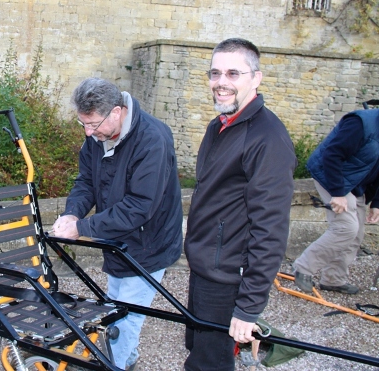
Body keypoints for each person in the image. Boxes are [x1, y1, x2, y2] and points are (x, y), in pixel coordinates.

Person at [52, 77, 183, 371]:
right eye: (83, 124)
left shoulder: (153, 140)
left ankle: (114, 364)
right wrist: (72, 213)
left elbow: (140, 207)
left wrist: (83, 229)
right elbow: (86, 181)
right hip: (117, 239)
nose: (88, 132)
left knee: (127, 313)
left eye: (93, 124)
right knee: (114, 303)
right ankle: (126, 355)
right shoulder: (98, 134)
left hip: (150, 241)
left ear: (117, 112)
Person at [183, 38, 297, 371]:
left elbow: (271, 228)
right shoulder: (219, 126)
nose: (221, 82)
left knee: (208, 363)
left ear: (256, 78)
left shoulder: (268, 138)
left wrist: (248, 308)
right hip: (205, 265)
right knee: (199, 347)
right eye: (215, 72)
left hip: (229, 275)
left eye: (233, 73)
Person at [292, 107, 379, 294]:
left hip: (357, 184)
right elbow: (332, 155)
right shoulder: (360, 123)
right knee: (346, 227)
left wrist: (377, 203)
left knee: (356, 234)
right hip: (332, 176)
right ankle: (303, 267)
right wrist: (338, 193)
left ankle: (333, 279)